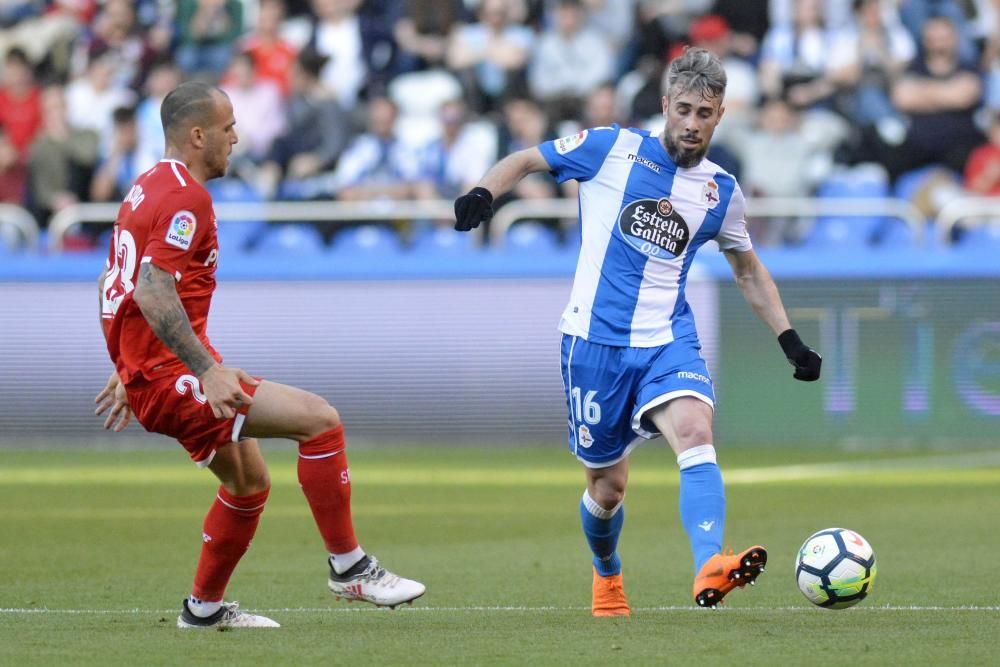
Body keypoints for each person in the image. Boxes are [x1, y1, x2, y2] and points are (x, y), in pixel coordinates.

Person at [453, 47, 822, 614]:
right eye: (684, 110)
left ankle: (710, 564)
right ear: (665, 106)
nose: (693, 124)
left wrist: (789, 339)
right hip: (592, 345)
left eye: (705, 113)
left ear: (720, 115)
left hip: (667, 340)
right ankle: (607, 574)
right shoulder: (610, 148)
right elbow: (526, 159)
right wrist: (483, 192)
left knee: (697, 433)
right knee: (607, 489)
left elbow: (747, 270)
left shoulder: (721, 192)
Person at [93, 81, 425, 629]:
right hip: (172, 376)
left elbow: (117, 280)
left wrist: (126, 361)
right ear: (198, 136)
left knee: (248, 484)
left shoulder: (147, 186)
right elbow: (151, 287)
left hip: (153, 370)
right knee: (320, 423)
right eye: (227, 128)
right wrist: (198, 369)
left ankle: (203, 610)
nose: (236, 137)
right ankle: (351, 569)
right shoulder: (186, 198)